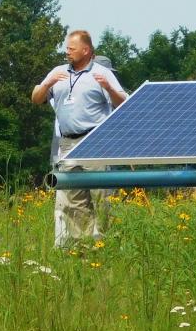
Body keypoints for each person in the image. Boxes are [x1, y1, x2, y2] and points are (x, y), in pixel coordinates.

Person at [31, 29, 127, 246]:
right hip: (67, 144)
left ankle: (104, 244)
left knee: (101, 197)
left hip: (95, 142)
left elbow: (123, 103)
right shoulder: (57, 72)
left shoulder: (101, 73)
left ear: (86, 50)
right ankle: (81, 248)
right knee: (74, 199)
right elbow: (36, 99)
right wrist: (47, 84)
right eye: (66, 48)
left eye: (71, 49)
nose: (67, 52)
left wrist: (109, 88)